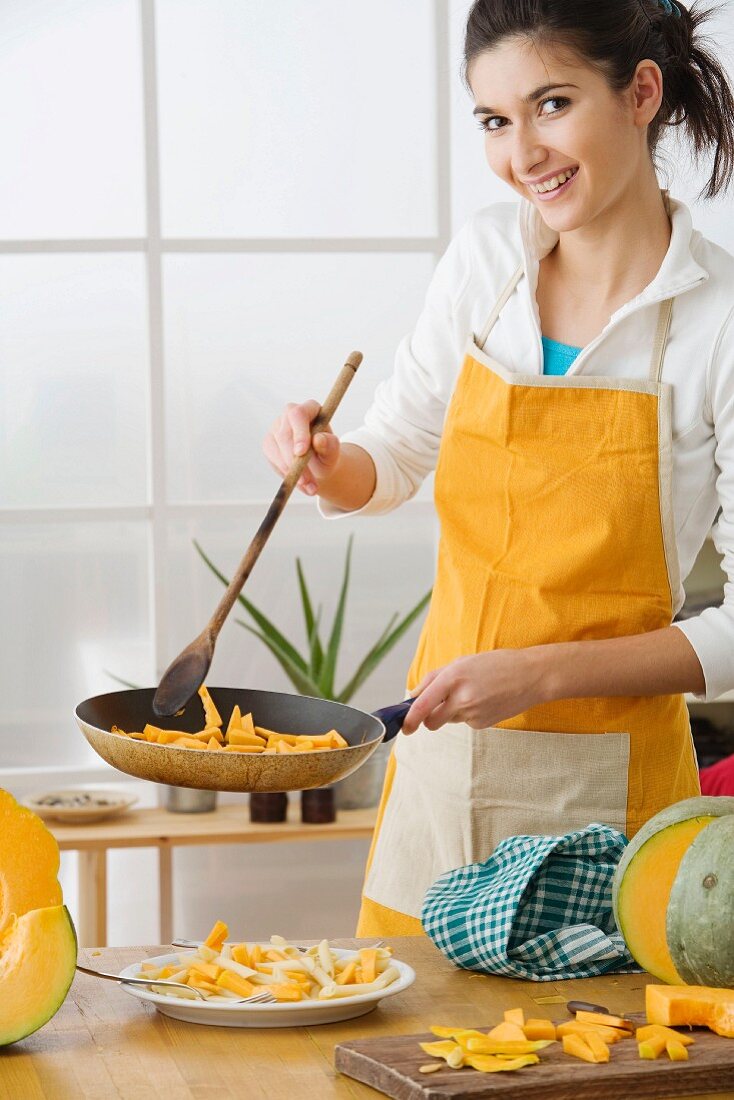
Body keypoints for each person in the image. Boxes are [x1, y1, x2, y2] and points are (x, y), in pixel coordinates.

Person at [263, 0, 734, 937]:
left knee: (574, 1068)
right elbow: (394, 455)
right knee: (409, 1064)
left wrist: (544, 674)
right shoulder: (488, 258)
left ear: (641, 92)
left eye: (552, 104)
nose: (522, 155)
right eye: (494, 121)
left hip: (608, 806)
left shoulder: (719, 321)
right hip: (442, 761)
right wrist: (326, 462)